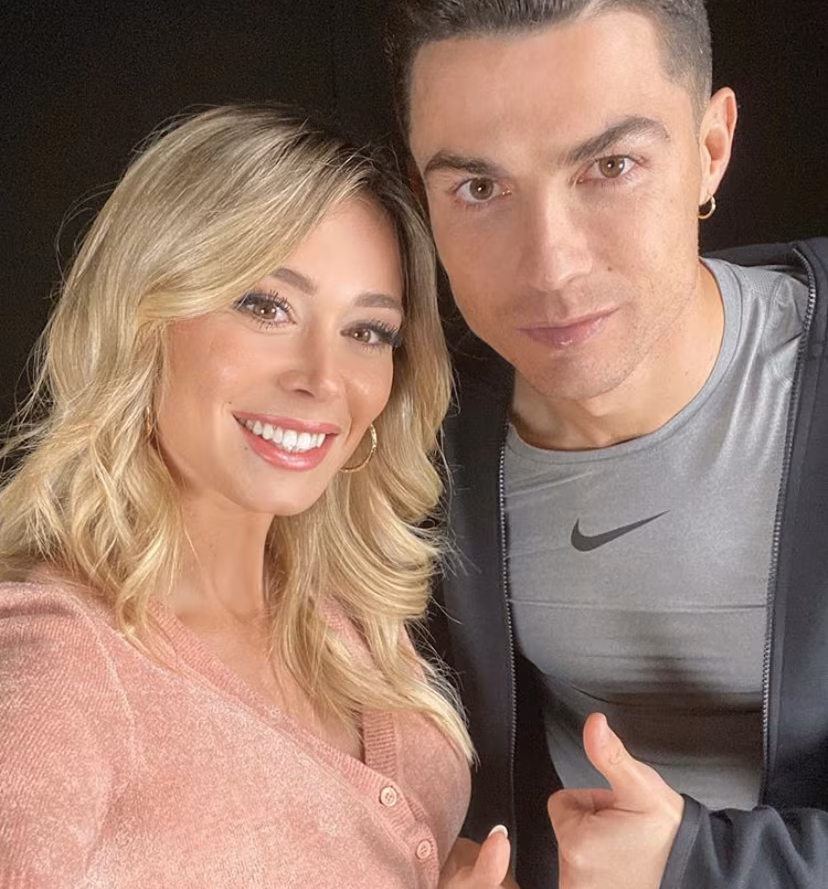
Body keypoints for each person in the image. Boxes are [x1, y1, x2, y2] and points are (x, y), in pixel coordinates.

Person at [385, 0, 828, 887]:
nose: (550, 266)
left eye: (611, 166)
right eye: (479, 189)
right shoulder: (410, 428)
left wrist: (701, 863)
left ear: (712, 148)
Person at [0, 104, 514, 888]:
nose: (323, 379)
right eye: (266, 306)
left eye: (367, 332)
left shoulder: (338, 612)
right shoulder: (52, 671)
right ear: (142, 317)